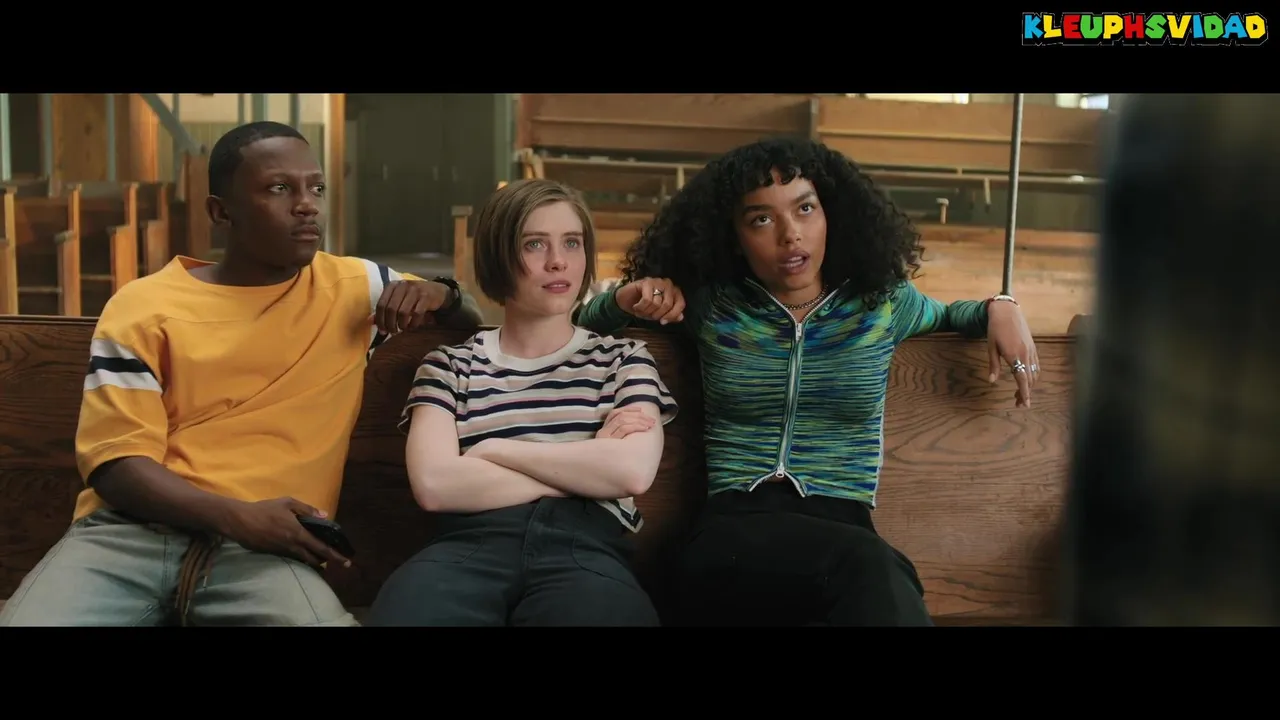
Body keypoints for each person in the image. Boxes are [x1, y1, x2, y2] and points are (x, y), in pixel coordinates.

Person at [0, 121, 484, 627]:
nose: (307, 205)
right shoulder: (145, 306)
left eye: (316, 188)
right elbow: (116, 465)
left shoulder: (354, 287)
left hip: (264, 555)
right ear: (220, 211)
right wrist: (240, 517)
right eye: (279, 189)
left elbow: (466, 313)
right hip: (128, 537)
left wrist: (441, 292)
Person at [574, 136, 1038, 626]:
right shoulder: (713, 307)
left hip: (844, 533)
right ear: (732, 236)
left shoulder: (881, 305)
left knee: (868, 573)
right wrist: (626, 298)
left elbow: (954, 314)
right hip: (732, 535)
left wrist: (1001, 306)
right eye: (761, 219)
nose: (790, 235)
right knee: (874, 569)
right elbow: (585, 324)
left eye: (805, 209)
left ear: (831, 214)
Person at [365, 178, 677, 626]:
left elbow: (631, 472)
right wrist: (587, 467)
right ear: (498, 256)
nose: (558, 261)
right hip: (465, 551)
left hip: (584, 554)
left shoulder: (624, 359)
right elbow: (435, 486)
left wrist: (492, 450)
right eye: (534, 244)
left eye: (572, 242)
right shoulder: (449, 365)